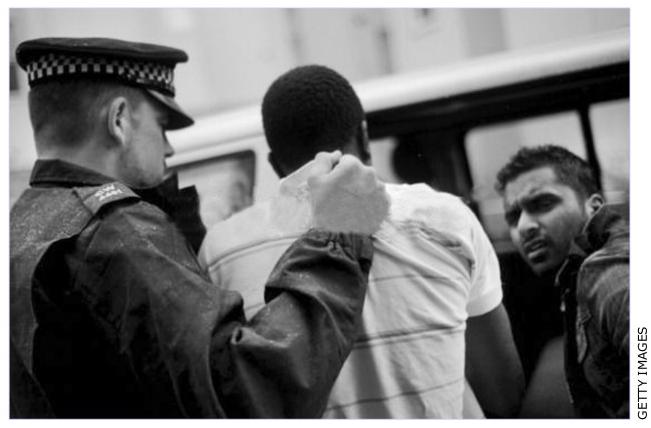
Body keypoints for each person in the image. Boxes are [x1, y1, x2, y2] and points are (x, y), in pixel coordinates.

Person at [10, 37, 391, 418]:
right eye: (162, 126)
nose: (169, 148)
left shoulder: (24, 225)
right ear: (119, 119)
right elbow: (249, 390)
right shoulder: (116, 231)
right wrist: (341, 226)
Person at [199, 65, 524, 418]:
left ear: (275, 164)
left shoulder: (221, 251)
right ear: (365, 137)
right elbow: (501, 393)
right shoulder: (446, 219)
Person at [495, 145, 629, 418]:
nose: (524, 227)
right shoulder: (579, 271)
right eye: (513, 216)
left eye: (543, 204)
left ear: (594, 207)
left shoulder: (610, 276)